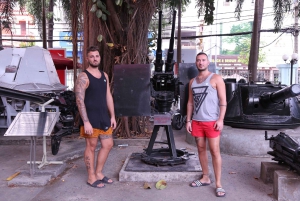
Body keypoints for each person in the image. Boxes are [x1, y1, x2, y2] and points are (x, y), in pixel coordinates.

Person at [186, 52, 227, 197]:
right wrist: (188, 120)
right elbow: (190, 102)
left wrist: (220, 119)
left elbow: (223, 101)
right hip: (197, 121)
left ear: (208, 62)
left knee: (215, 151)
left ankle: (218, 184)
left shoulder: (216, 79)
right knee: (200, 149)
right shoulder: (192, 81)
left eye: (203, 60)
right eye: (198, 60)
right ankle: (205, 177)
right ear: (196, 63)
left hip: (212, 122)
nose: (201, 63)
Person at [75, 46, 116, 188]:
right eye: (91, 56)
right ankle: (91, 177)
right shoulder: (83, 76)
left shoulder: (104, 75)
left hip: (104, 116)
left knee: (108, 144)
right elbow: (79, 100)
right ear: (87, 58)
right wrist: (85, 121)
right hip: (90, 118)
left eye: (97, 56)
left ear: (100, 57)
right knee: (91, 146)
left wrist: (113, 116)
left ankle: (99, 173)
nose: (95, 58)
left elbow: (108, 96)